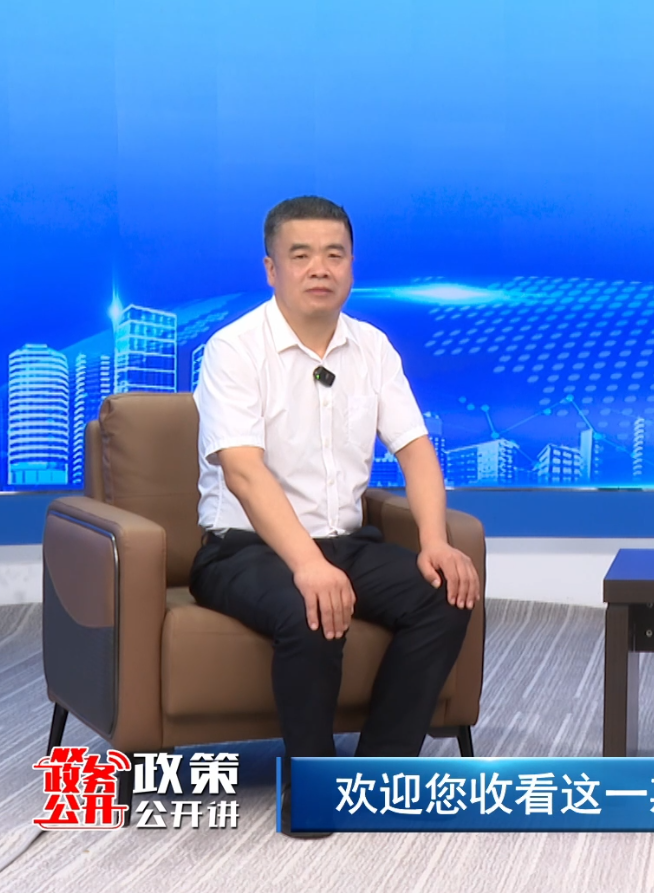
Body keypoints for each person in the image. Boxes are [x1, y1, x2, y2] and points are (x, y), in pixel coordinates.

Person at [190, 196, 481, 838]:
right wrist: (306, 564)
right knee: (312, 605)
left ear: (351, 266)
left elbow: (416, 451)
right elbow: (243, 472)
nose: (319, 268)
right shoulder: (234, 349)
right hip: (242, 549)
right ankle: (313, 791)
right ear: (272, 269)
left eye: (334, 255)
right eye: (301, 256)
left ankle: (378, 778)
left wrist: (434, 541)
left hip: (344, 541)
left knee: (444, 594)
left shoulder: (371, 347)